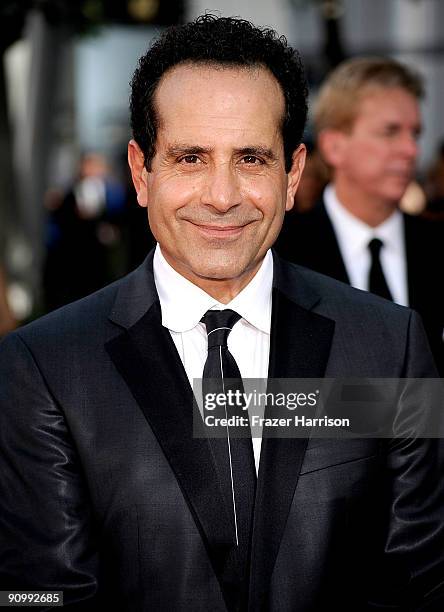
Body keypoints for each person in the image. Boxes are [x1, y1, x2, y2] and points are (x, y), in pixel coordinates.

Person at [1, 16, 444, 612]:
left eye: (252, 159)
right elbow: (41, 595)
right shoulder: (44, 368)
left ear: (292, 176)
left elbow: (423, 577)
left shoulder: (392, 346)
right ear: (141, 172)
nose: (221, 194)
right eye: (189, 158)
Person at [276, 57, 444, 375]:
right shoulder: (280, 253)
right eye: (390, 132)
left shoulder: (437, 245)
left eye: (415, 134)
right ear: (334, 146)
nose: (411, 150)